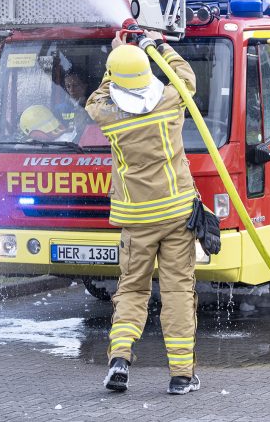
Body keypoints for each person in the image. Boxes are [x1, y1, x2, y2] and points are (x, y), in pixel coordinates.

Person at [85, 29, 200, 395]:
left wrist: (117, 55)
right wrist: (155, 44)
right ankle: (181, 376)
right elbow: (185, 76)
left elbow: (98, 95)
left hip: (136, 220)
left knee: (132, 290)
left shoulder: (107, 114)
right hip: (178, 213)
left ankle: (120, 358)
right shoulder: (169, 100)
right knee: (178, 290)